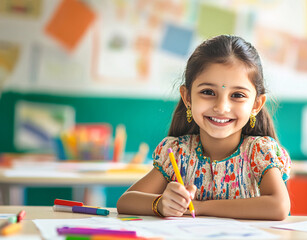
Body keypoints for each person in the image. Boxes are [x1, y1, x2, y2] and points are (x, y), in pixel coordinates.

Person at [117, 35, 292, 220]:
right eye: (208, 92)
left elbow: (278, 206)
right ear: (187, 98)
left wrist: (200, 207)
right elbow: (126, 202)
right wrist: (159, 204)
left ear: (256, 105)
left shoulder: (259, 153)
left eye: (238, 95)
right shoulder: (178, 153)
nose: (221, 107)